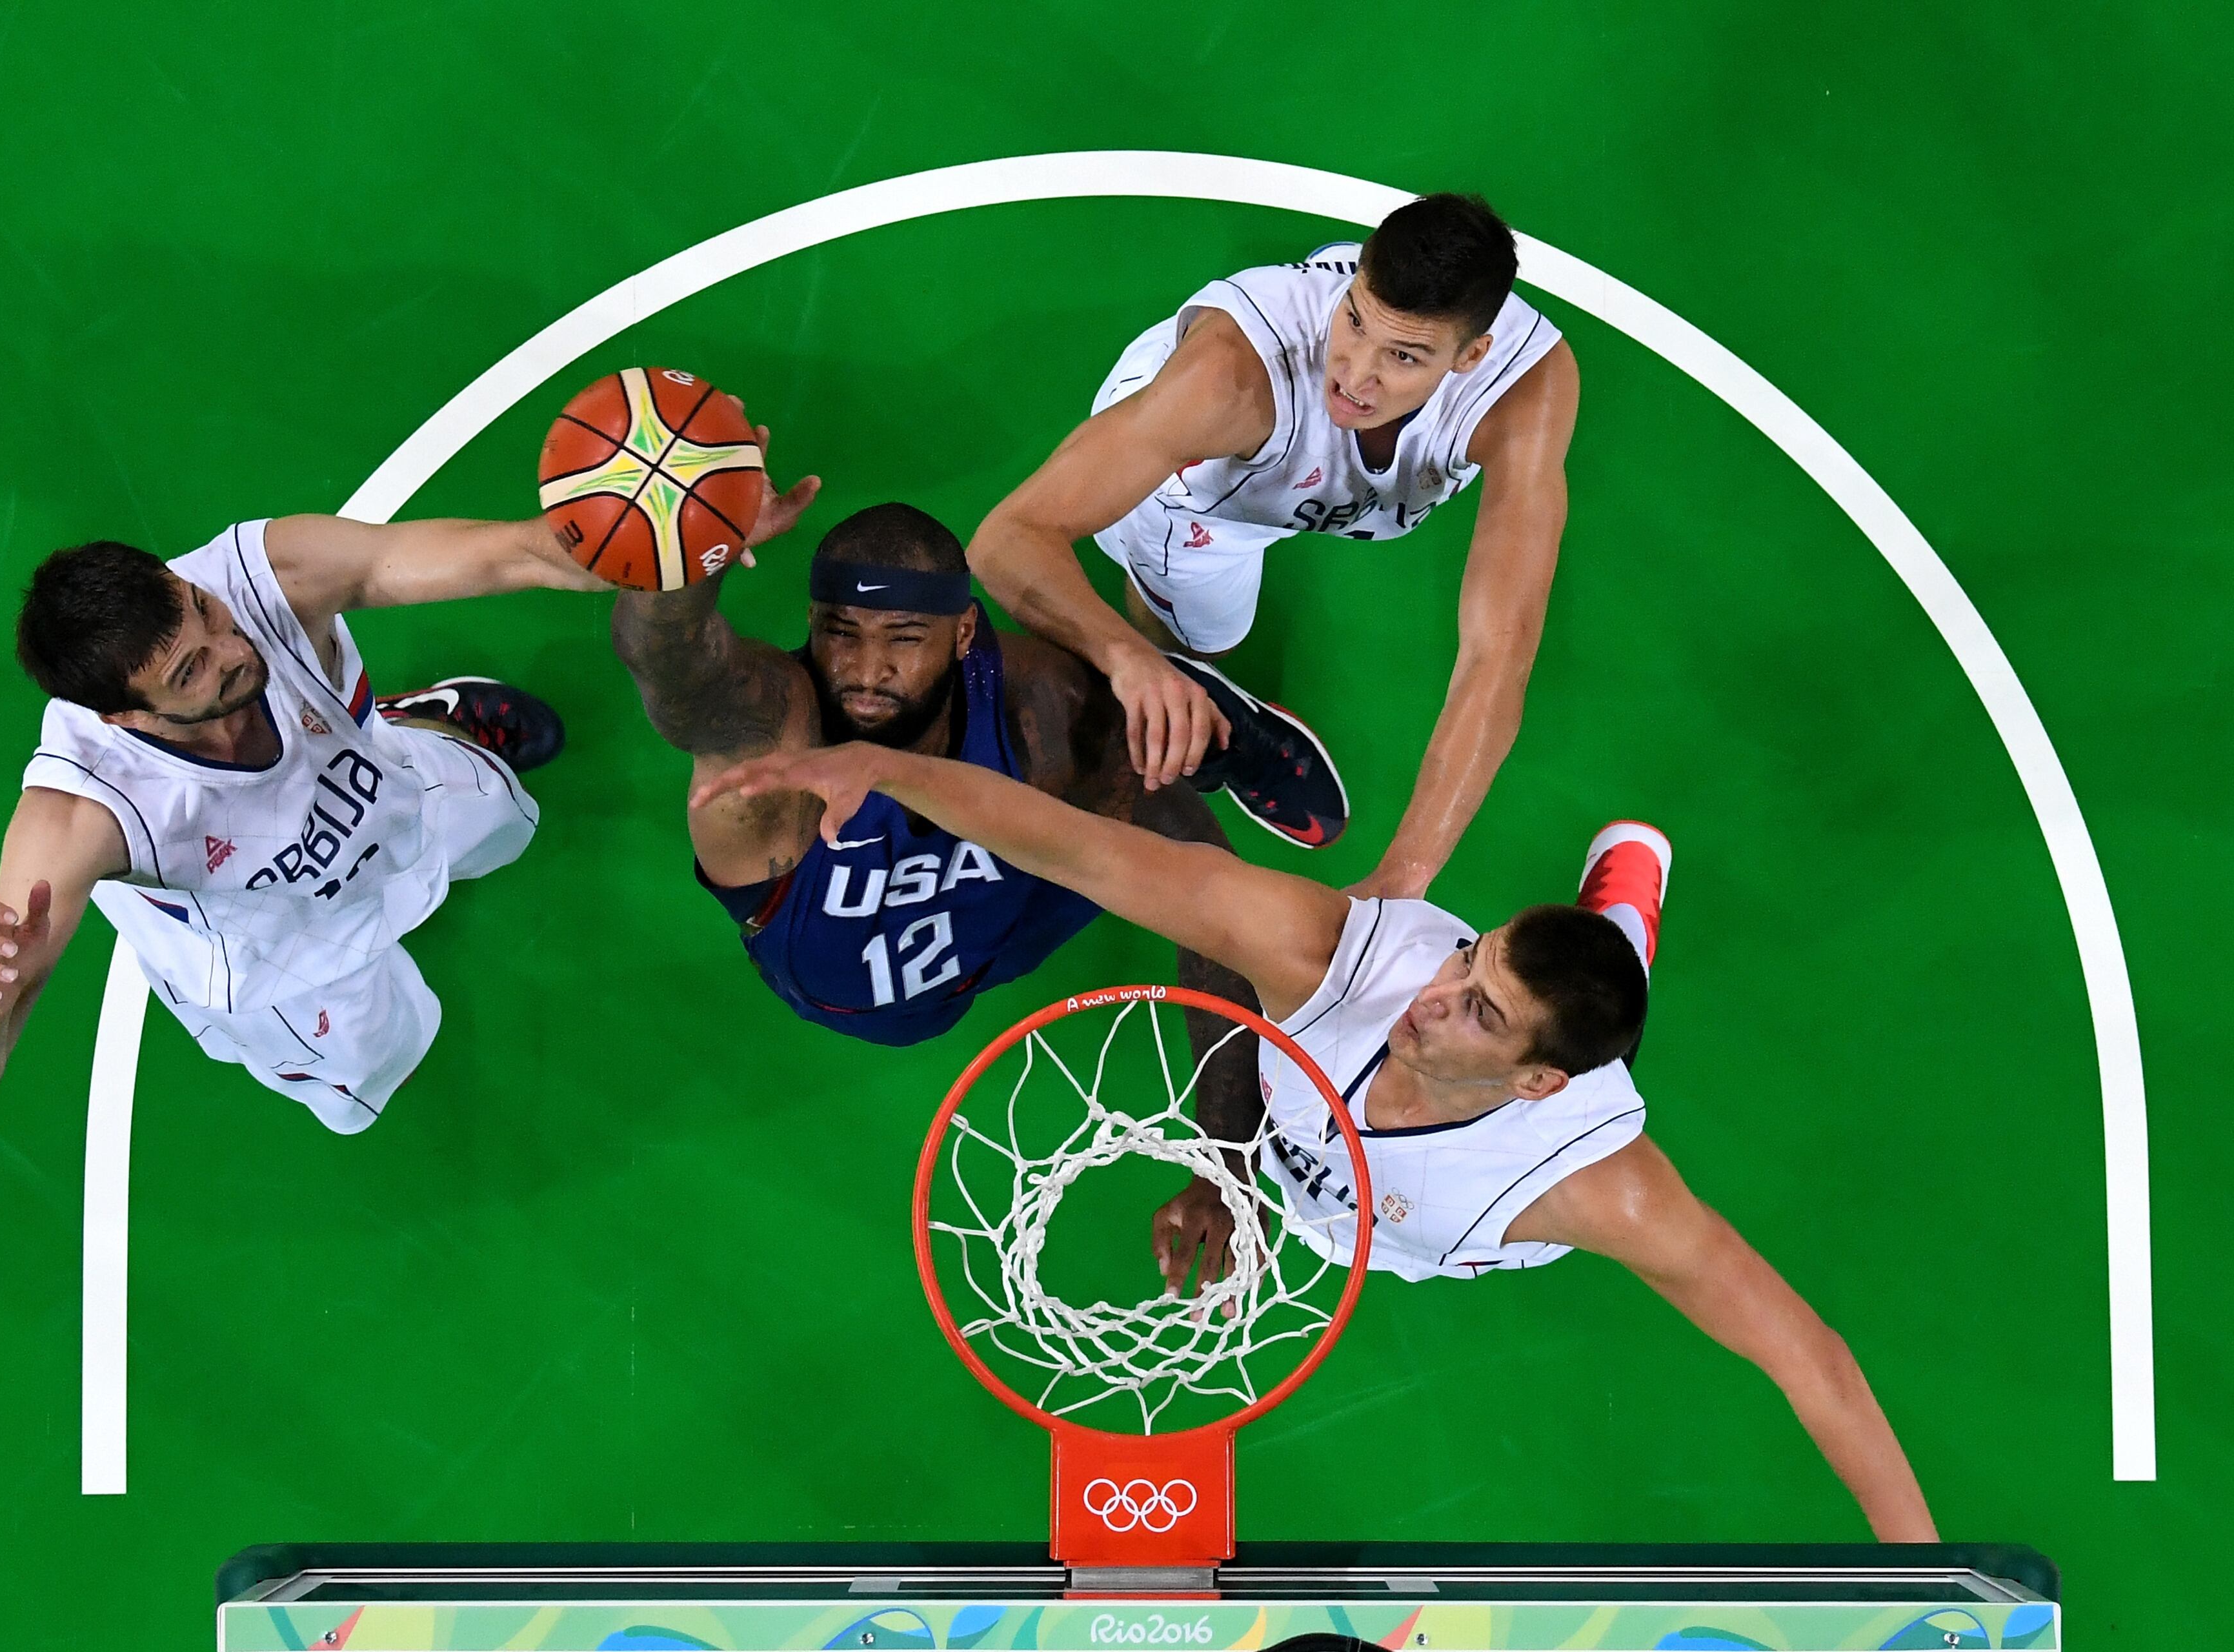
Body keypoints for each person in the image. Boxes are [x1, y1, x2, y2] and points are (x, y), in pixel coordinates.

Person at [690, 743, 1937, 1540]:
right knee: (1532, 979)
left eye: (1480, 1010)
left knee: (1615, 983)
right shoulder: (1339, 956)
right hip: (1339, 1160)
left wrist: (1922, 1589)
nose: (1431, 998)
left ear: (1537, 1080)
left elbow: (1809, 1357)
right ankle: (1591, 920)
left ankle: (1626, 900)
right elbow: (1073, 844)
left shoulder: (1596, 1188)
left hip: (1447, 1214)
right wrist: (881, 769)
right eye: (1470, 957)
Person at [0, 503, 647, 1134]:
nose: (237, 650)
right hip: (286, 953)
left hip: (377, 799)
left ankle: (413, 718)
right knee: (379, 1062)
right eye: (190, 672)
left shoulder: (268, 575)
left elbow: (509, 552)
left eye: (203, 610)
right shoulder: (81, 815)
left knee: (503, 816)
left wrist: (665, 539)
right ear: (124, 713)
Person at [967, 193, 1575, 889]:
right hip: (1186, 485)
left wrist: (1401, 879)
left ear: (1471, 355)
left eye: (1404, 356)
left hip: (1282, 469)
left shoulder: (1527, 388)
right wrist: (1132, 662)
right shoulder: (1227, 383)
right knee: (1200, 645)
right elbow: (1006, 538)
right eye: (1353, 320)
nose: (1355, 372)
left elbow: (1499, 653)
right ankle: (1203, 704)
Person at [610, 493, 1285, 1055]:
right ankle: (1162, 706)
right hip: (886, 958)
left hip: (1016, 916)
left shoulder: (1044, 715)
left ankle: (1167, 718)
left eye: (904, 637)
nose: (867, 671)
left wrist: (1226, 1150)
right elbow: (674, 669)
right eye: (842, 633)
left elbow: (1216, 905)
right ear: (812, 621)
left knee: (1159, 836)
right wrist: (686, 553)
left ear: (964, 633)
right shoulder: (776, 743)